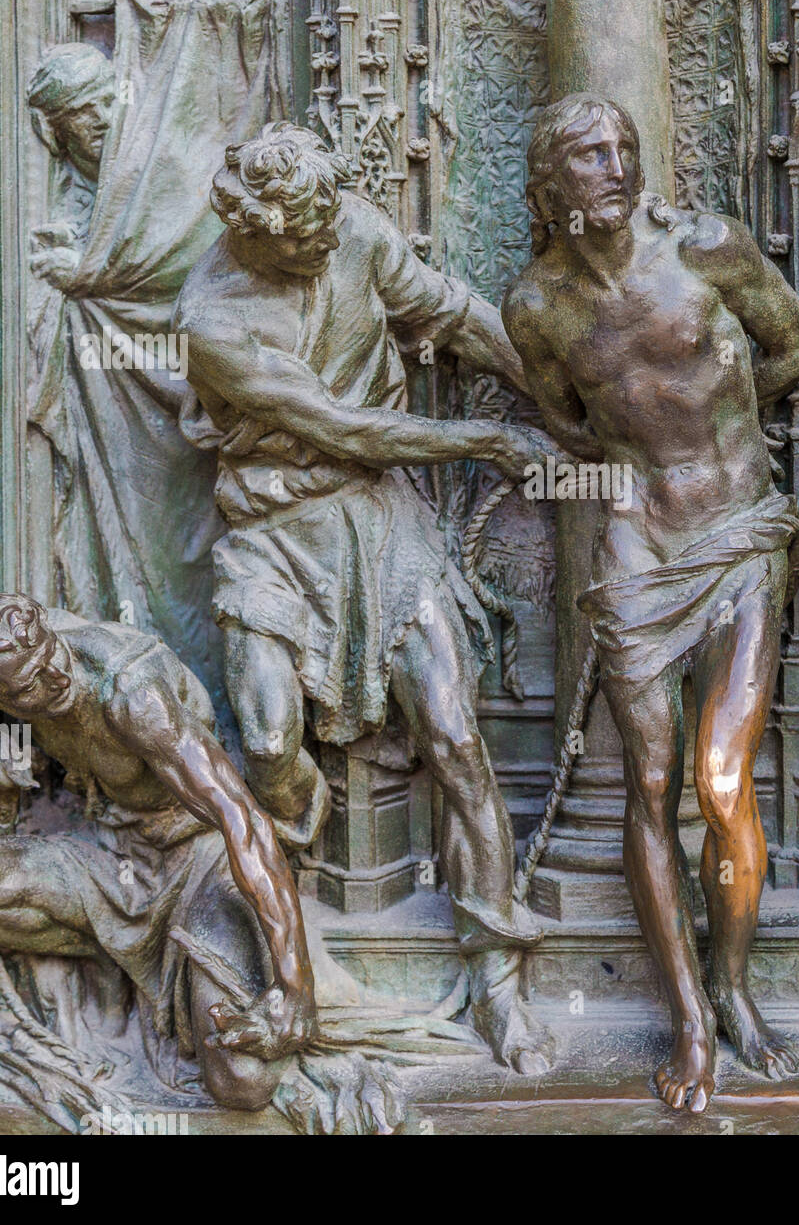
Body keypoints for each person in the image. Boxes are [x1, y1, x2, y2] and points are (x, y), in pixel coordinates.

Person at [173, 123, 560, 1073]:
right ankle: (288, 906)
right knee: (265, 743)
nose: (325, 241)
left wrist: (561, 400)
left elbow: (452, 313)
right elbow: (341, 425)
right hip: (271, 529)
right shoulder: (216, 318)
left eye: (326, 222)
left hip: (379, 524)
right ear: (255, 236)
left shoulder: (343, 223)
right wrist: (487, 440)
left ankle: (497, 977)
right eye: (303, 237)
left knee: (456, 736)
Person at [503, 93, 799, 1112]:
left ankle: (733, 986)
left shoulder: (707, 246)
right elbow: (565, 422)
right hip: (640, 544)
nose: (615, 163)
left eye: (625, 146)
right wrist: (648, 461)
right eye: (591, 153)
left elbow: (797, 347)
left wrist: (719, 421)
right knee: (648, 781)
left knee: (722, 777)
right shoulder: (535, 306)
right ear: (551, 183)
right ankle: (689, 1017)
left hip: (735, 530)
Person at [0, 592, 315, 1111]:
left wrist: (296, 988)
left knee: (242, 1081)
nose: (57, 682)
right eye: (27, 689)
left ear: (46, 633)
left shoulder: (132, 692)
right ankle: (121, 955)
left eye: (51, 660)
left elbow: (242, 822)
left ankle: (153, 967)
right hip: (110, 856)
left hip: (201, 859)